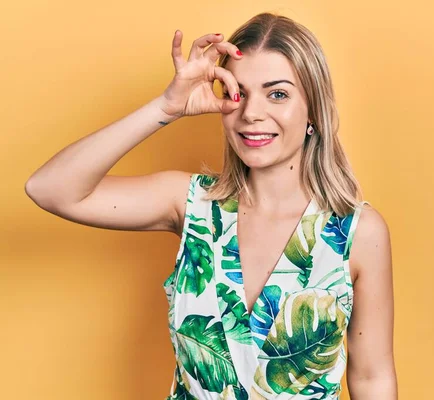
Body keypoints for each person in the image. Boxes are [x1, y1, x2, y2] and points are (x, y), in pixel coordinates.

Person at [25, 12, 397, 400]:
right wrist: (165, 108)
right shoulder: (192, 206)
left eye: (278, 94)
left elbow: (372, 378)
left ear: (313, 112)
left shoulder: (357, 232)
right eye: (238, 93)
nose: (251, 113)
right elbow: (50, 189)